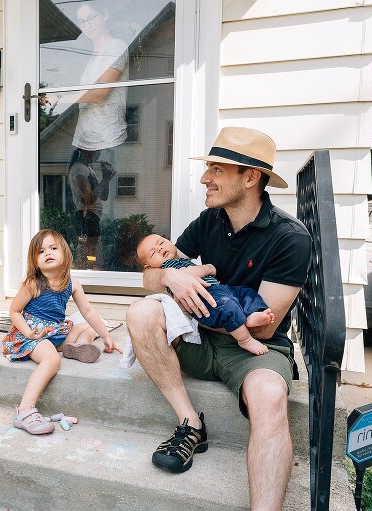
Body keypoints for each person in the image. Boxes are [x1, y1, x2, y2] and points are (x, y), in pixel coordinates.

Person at [126, 127, 312, 510]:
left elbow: (264, 325)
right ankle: (191, 423)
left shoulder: (289, 238)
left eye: (216, 169)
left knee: (271, 394)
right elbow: (150, 275)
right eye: (207, 167)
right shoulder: (208, 221)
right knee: (141, 311)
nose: (204, 178)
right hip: (199, 338)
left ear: (250, 177)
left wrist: (186, 299)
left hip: (253, 348)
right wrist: (171, 276)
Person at [2, 229, 121, 434]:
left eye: (53, 248)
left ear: (65, 252)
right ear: (34, 260)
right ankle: (24, 410)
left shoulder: (72, 282)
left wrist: (106, 336)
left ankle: (78, 347)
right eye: (41, 251)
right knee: (51, 359)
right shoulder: (33, 283)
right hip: (35, 335)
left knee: (87, 327)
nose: (48, 253)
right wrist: (28, 332)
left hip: (56, 330)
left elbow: (88, 311)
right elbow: (14, 311)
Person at [136, 233, 276, 355]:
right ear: (149, 266)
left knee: (245, 292)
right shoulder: (168, 267)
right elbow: (187, 274)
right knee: (227, 307)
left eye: (161, 243)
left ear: (171, 242)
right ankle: (245, 339)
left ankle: (248, 315)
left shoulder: (181, 260)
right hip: (203, 296)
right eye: (153, 253)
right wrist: (208, 268)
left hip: (220, 289)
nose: (160, 248)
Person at [67, 2, 129, 268]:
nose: (87, 24)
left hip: (106, 138)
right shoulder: (91, 56)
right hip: (85, 139)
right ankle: (87, 267)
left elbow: (101, 92)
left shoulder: (116, 47)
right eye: (82, 21)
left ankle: (101, 269)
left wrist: (62, 97)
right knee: (86, 228)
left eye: (91, 17)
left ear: (105, 15)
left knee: (100, 225)